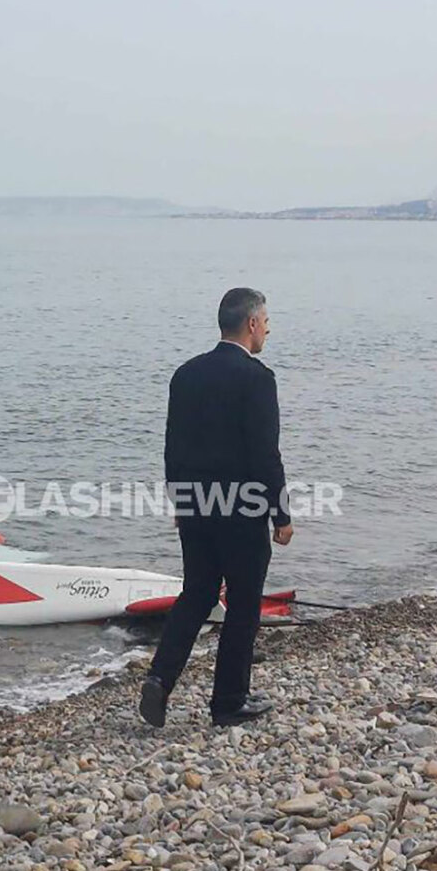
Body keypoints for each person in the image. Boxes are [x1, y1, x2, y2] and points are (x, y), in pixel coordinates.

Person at [139, 288, 293, 729]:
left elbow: (172, 446)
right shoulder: (257, 378)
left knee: (198, 593)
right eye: (266, 321)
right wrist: (281, 513)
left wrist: (179, 500)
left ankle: (160, 678)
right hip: (242, 508)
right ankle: (228, 701)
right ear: (251, 323)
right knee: (243, 602)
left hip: (196, 504)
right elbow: (265, 454)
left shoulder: (185, 374)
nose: (268, 330)